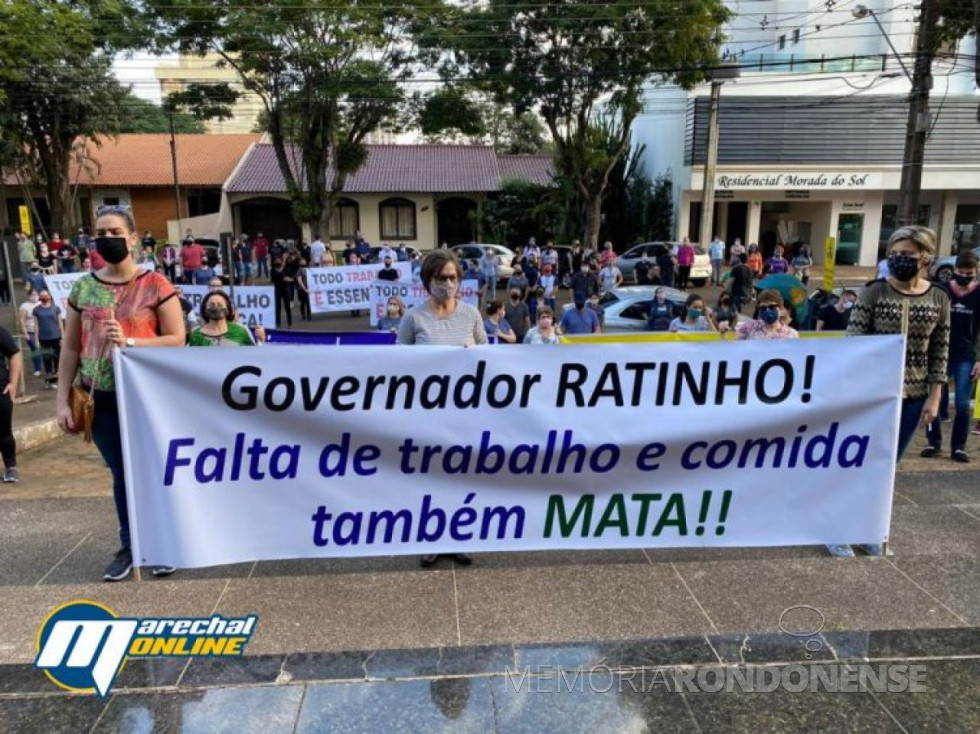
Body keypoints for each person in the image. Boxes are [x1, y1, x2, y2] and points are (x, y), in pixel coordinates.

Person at [55, 205, 185, 581]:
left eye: (114, 232)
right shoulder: (84, 286)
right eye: (100, 232)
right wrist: (61, 399)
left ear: (132, 237)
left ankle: (162, 541)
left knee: (150, 470)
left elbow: (177, 340)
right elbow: (70, 348)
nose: (107, 239)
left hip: (147, 397)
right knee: (121, 473)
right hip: (101, 398)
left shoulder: (156, 286)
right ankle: (130, 544)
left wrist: (130, 341)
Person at [397, 250, 486, 568]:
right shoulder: (413, 318)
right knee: (429, 477)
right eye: (442, 278)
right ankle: (430, 539)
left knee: (460, 477)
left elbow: (488, 357)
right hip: (427, 415)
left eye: (453, 278)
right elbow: (396, 365)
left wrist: (476, 353)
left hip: (463, 415)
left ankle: (460, 537)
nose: (449, 284)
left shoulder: (472, 315)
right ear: (427, 282)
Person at [848, 225, 948, 463]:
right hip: (874, 392)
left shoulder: (938, 297)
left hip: (915, 394)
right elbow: (853, 340)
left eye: (906, 254)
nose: (898, 259)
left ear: (924, 258)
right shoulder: (874, 292)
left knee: (893, 460)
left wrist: (935, 397)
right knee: (866, 459)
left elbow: (940, 349)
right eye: (893, 254)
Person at [922, 250, 980, 463]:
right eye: (961, 271)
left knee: (963, 404)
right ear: (954, 270)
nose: (964, 275)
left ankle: (958, 447)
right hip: (939, 353)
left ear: (976, 272)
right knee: (934, 398)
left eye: (969, 272)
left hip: (966, 355)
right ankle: (932, 442)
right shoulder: (943, 290)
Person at [188, 291, 256, 347]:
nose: (215, 308)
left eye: (220, 305)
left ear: (227, 308)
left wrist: (261, 340)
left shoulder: (241, 331)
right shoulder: (196, 335)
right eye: (211, 305)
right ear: (205, 309)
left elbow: (252, 354)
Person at [729, 289, 799, 340]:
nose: (767, 310)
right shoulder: (748, 328)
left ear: (781, 308)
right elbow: (734, 349)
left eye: (772, 307)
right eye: (763, 308)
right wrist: (724, 332)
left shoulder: (791, 335)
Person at [0, 324, 22, 483]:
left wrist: (13, 383)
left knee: (3, 431)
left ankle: (11, 467)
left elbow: (15, 354)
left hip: (1, 390)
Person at [33, 291, 63, 388]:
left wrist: (63, 337)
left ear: (49, 296)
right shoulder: (36, 310)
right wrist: (37, 340)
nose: (44, 297)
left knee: (57, 359)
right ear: (40, 297)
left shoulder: (56, 308)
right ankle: (49, 381)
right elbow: (36, 325)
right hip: (43, 338)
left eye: (46, 295)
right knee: (47, 359)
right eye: (42, 296)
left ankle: (57, 380)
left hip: (56, 337)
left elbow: (60, 323)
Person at [19, 290, 44, 377]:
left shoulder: (41, 304)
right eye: (33, 294)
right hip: (31, 331)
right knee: (35, 348)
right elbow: (22, 320)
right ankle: (37, 368)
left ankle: (46, 368)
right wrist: (25, 333)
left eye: (36, 294)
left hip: (42, 330)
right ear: (29, 296)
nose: (35, 296)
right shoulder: (24, 306)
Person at [271, 258, 293, 328]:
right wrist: (284, 277)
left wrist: (286, 278)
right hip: (278, 290)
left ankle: (289, 322)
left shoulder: (286, 269)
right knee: (278, 308)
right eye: (277, 263)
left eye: (279, 262)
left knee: (287, 307)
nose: (278, 264)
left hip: (285, 290)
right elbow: (274, 278)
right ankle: (278, 323)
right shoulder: (273, 271)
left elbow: (291, 278)